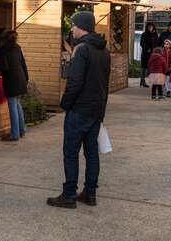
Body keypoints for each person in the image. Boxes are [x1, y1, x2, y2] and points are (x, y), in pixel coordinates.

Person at [47, 11, 110, 209]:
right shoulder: (103, 51)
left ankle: (69, 195)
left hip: (79, 111)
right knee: (91, 153)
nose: (71, 29)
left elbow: (74, 82)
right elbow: (104, 84)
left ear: (81, 26)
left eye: (73, 25)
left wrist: (65, 103)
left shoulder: (81, 49)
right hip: (96, 110)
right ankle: (90, 194)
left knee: (71, 153)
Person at [0, 30, 29, 141]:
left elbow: (4, 67)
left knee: (12, 106)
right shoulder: (17, 47)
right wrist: (26, 78)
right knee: (17, 104)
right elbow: (23, 63)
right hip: (21, 78)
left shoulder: (3, 50)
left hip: (11, 81)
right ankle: (22, 130)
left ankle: (14, 134)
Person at [140, 23, 159, 88]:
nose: (150, 28)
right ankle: (142, 81)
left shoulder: (155, 35)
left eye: (151, 27)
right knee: (144, 68)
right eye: (149, 27)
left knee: (153, 68)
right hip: (146, 53)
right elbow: (142, 43)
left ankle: (154, 82)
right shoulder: (144, 34)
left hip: (153, 54)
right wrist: (147, 48)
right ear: (147, 27)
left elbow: (157, 43)